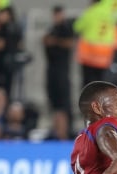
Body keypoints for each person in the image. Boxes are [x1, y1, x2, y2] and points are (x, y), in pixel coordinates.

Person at [43, 5, 75, 140]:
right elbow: (45, 40)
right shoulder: (52, 29)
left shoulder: (66, 28)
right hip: (52, 69)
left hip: (62, 70)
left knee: (63, 103)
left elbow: (70, 43)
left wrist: (54, 42)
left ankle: (66, 131)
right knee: (54, 101)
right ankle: (56, 130)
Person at [74, 0, 115, 86]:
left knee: (88, 83)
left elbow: (77, 27)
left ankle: (88, 99)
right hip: (105, 53)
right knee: (101, 82)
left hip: (90, 53)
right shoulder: (109, 12)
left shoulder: (91, 12)